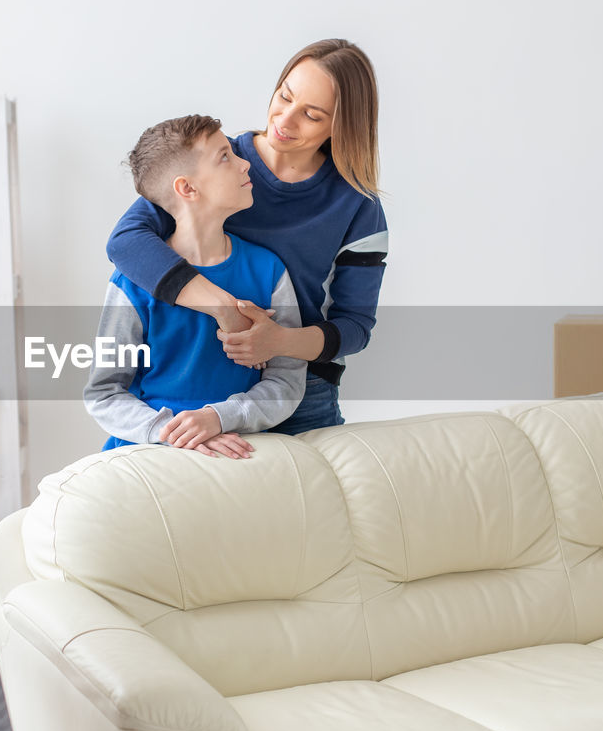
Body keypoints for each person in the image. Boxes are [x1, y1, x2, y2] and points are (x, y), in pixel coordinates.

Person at [106, 39, 386, 434]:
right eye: (284, 96)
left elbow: (355, 327)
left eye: (311, 114)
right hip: (200, 379)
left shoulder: (358, 205)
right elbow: (125, 243)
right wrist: (225, 308)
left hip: (298, 391)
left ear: (342, 125)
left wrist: (278, 342)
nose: (284, 121)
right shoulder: (218, 166)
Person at [84, 115, 306, 458]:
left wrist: (218, 418)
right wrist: (174, 432)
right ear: (187, 188)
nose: (245, 163)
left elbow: (286, 383)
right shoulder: (131, 282)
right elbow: (104, 393)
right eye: (224, 157)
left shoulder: (269, 270)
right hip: (146, 455)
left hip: (240, 451)